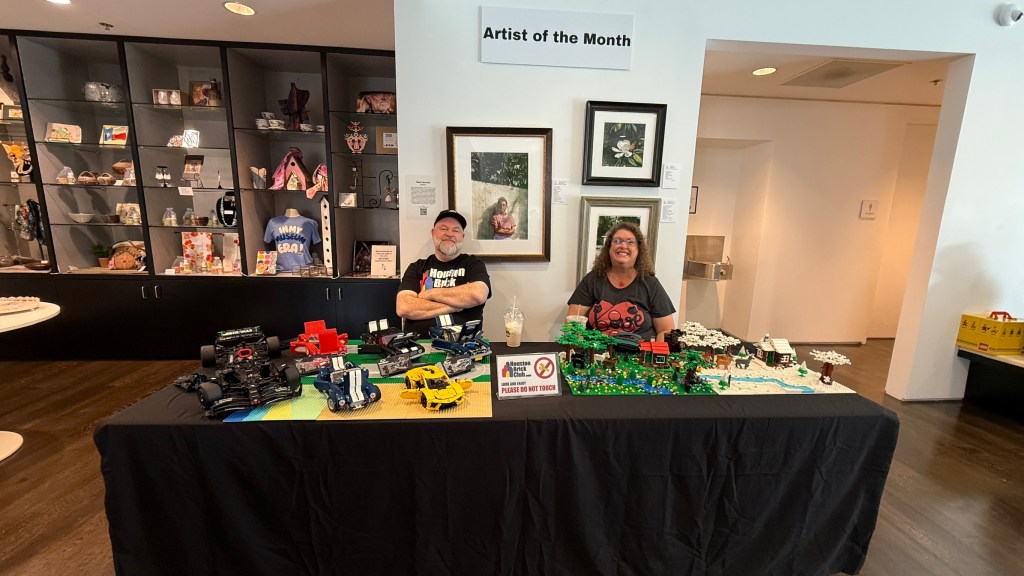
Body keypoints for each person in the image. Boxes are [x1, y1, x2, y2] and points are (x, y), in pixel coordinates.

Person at [567, 221, 675, 341]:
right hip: (596, 350)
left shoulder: (651, 284)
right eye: (617, 241)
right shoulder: (592, 280)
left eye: (630, 242)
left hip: (639, 351)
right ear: (609, 248)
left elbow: (665, 330)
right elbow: (572, 323)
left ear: (639, 250)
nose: (623, 246)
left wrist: (655, 352)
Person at [397, 209, 491, 337]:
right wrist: (456, 305)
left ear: (462, 236)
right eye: (443, 228)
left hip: (464, 343)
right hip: (418, 343)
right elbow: (404, 307)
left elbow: (478, 294)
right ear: (433, 233)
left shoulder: (473, 264)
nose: (449, 234)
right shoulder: (417, 267)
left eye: (456, 230)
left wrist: (430, 294)